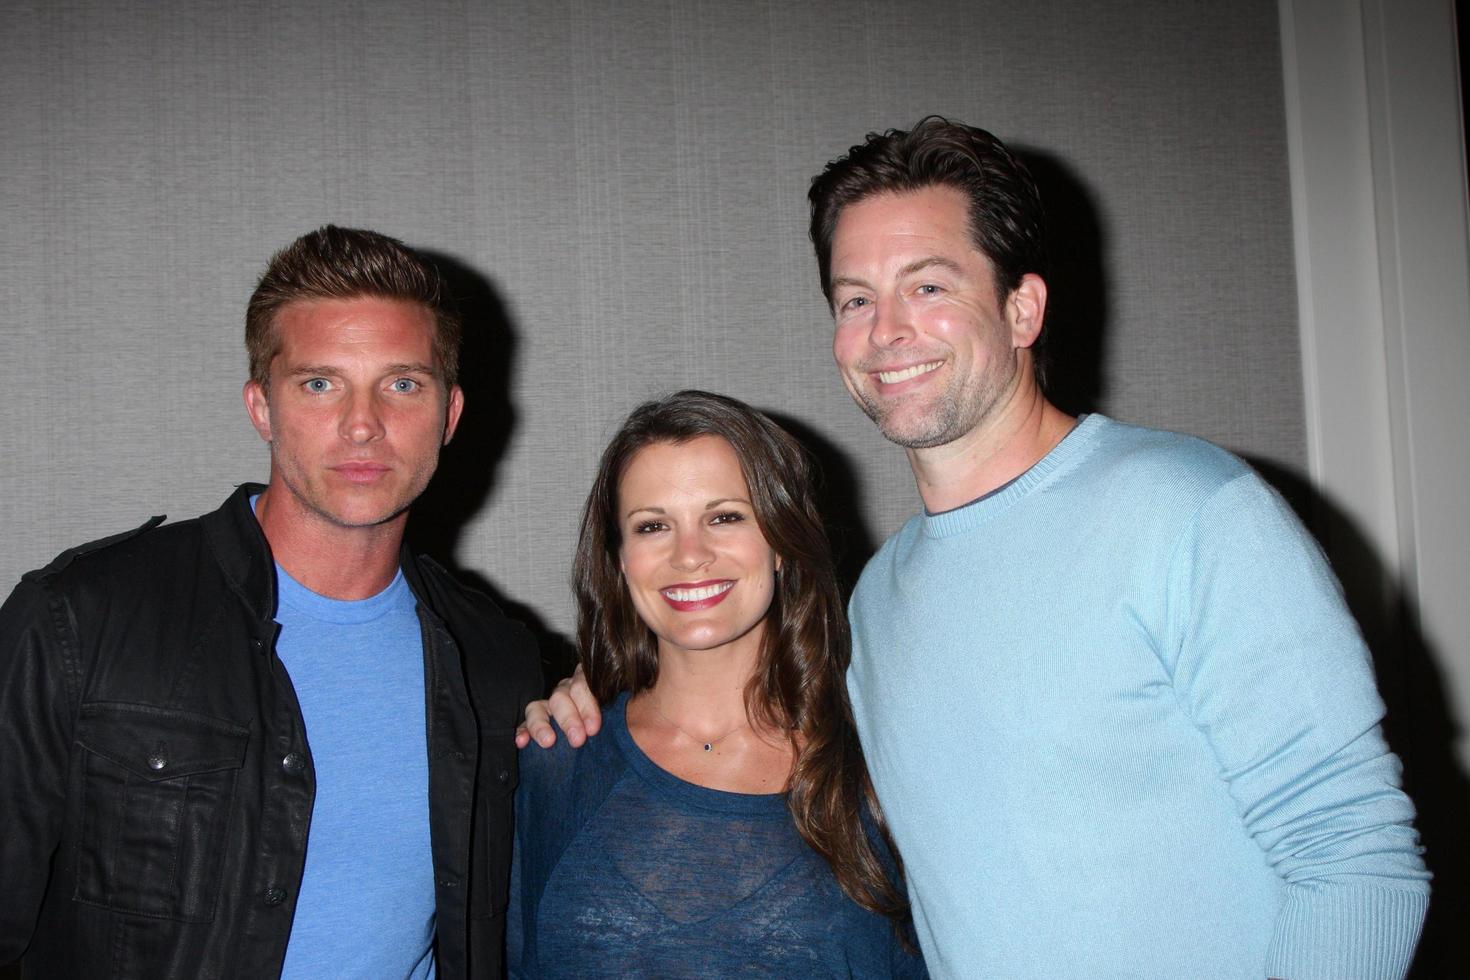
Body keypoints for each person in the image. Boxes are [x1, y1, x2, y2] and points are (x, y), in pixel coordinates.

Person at [522, 119, 1431, 979]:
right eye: (855, 298)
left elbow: (1355, 851)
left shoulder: (1190, 513)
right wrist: (587, 702)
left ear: (1022, 308)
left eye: (929, 286)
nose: (887, 331)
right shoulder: (879, 600)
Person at [0, 226, 542, 979]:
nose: (364, 424)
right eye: (320, 384)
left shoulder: (499, 660)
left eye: (403, 384)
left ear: (448, 416)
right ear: (262, 408)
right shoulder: (80, 619)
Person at [508, 390, 924, 978]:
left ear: (780, 541)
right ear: (621, 560)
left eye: (724, 516)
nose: (690, 555)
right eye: (653, 526)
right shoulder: (556, 762)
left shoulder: (883, 764)